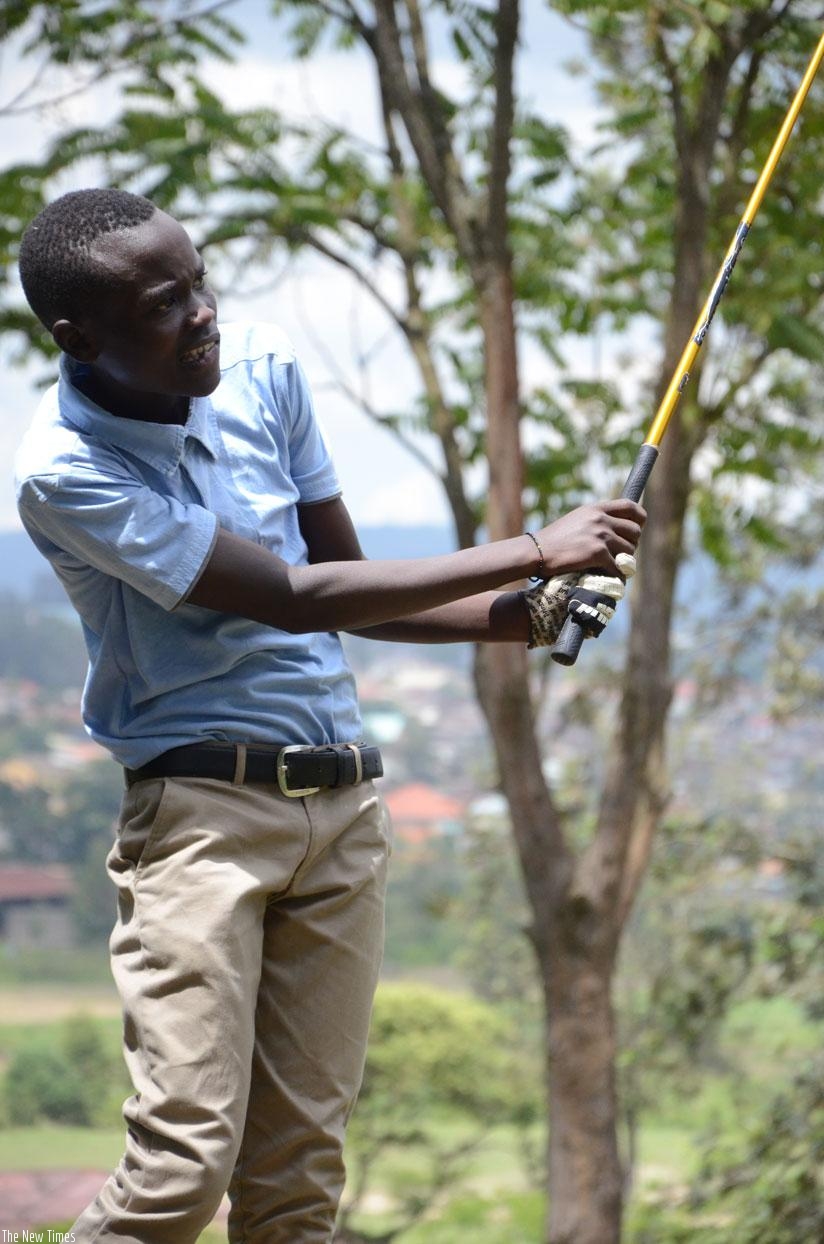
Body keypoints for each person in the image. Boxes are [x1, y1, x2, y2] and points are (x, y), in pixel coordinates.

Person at [13, 187, 645, 1244]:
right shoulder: (65, 470)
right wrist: (535, 546)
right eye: (167, 303)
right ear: (81, 336)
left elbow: (349, 575)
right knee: (182, 1164)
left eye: (200, 280)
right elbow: (289, 594)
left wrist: (518, 615)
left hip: (343, 807)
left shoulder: (259, 366)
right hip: (201, 826)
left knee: (299, 1181)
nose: (203, 312)